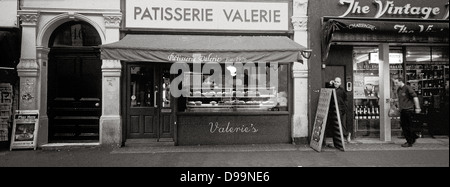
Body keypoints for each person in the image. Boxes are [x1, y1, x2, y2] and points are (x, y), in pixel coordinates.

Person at [392, 77, 421, 147]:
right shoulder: (399, 90)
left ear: (400, 81)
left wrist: (417, 107)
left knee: (408, 126)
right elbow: (401, 99)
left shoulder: (407, 88)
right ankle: (413, 137)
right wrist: (396, 103)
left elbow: (415, 97)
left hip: (408, 110)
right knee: (404, 126)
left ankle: (409, 141)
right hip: (403, 110)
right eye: (394, 83)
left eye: (396, 82)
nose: (395, 84)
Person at [329, 77, 351, 143]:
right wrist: (330, 83)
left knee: (339, 123)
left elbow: (346, 100)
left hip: (341, 109)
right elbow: (326, 89)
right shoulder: (332, 88)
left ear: (340, 83)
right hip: (333, 109)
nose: (336, 83)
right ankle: (342, 136)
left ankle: (346, 134)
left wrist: (344, 108)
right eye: (335, 81)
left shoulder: (342, 90)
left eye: (338, 82)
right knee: (336, 123)